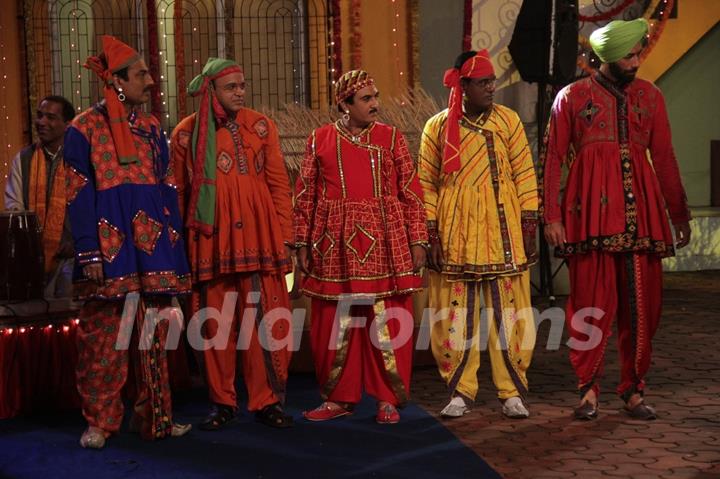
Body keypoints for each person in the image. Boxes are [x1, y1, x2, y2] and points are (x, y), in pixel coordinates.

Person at [539, 18, 692, 420]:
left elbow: (664, 157)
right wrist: (551, 216)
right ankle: (588, 389)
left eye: (639, 52)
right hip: (588, 215)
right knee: (590, 305)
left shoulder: (650, 96)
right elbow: (553, 158)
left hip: (643, 217)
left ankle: (634, 390)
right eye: (630, 54)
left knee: (644, 307)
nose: (637, 60)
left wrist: (678, 213)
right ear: (606, 57)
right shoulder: (571, 97)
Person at [64, 35, 192, 448]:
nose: (151, 82)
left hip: (152, 246)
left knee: (153, 337)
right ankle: (100, 421)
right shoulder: (82, 129)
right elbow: (78, 194)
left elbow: (167, 185)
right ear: (117, 81)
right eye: (141, 75)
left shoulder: (153, 129)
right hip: (109, 247)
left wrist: (173, 245)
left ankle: (156, 418)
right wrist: (88, 251)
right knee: (104, 339)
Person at [294, 69, 428, 424]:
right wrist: (302, 242)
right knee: (335, 320)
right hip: (333, 243)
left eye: (376, 96)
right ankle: (339, 397)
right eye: (366, 98)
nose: (375, 104)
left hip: (386, 240)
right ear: (344, 103)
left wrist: (417, 239)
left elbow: (411, 192)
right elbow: (306, 194)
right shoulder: (319, 139)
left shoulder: (391, 138)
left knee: (388, 317)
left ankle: (387, 398)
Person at [172, 58, 294, 429]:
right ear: (211, 91)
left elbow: (278, 185)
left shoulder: (260, 126)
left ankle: (267, 401)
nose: (240, 92)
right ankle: (221, 402)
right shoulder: (186, 135)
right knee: (214, 325)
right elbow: (179, 195)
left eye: (243, 85)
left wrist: (286, 239)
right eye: (232, 87)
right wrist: (179, 250)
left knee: (264, 321)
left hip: (259, 238)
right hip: (210, 241)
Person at [418, 50, 539, 419]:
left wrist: (529, 222)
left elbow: (524, 172)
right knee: (456, 311)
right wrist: (432, 234)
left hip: (502, 229)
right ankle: (461, 389)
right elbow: (426, 183)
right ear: (463, 85)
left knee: (510, 310)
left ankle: (510, 390)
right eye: (483, 82)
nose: (492, 88)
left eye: (492, 81)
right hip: (457, 232)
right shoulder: (437, 127)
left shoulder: (508, 121)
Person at [4, 95, 76, 298]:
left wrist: (77, 242)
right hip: (34, 261)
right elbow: (15, 210)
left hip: (73, 259)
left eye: (51, 117)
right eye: (40, 116)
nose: (42, 122)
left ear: (67, 125)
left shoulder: (80, 158)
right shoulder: (24, 159)